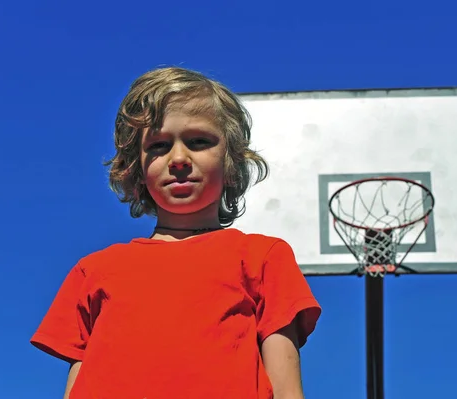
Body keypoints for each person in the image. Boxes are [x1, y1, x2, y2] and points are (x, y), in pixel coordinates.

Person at [30, 66, 322, 399]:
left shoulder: (263, 257)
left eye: (199, 141)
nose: (179, 158)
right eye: (158, 145)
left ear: (231, 161)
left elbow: (287, 390)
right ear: (135, 167)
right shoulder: (92, 271)